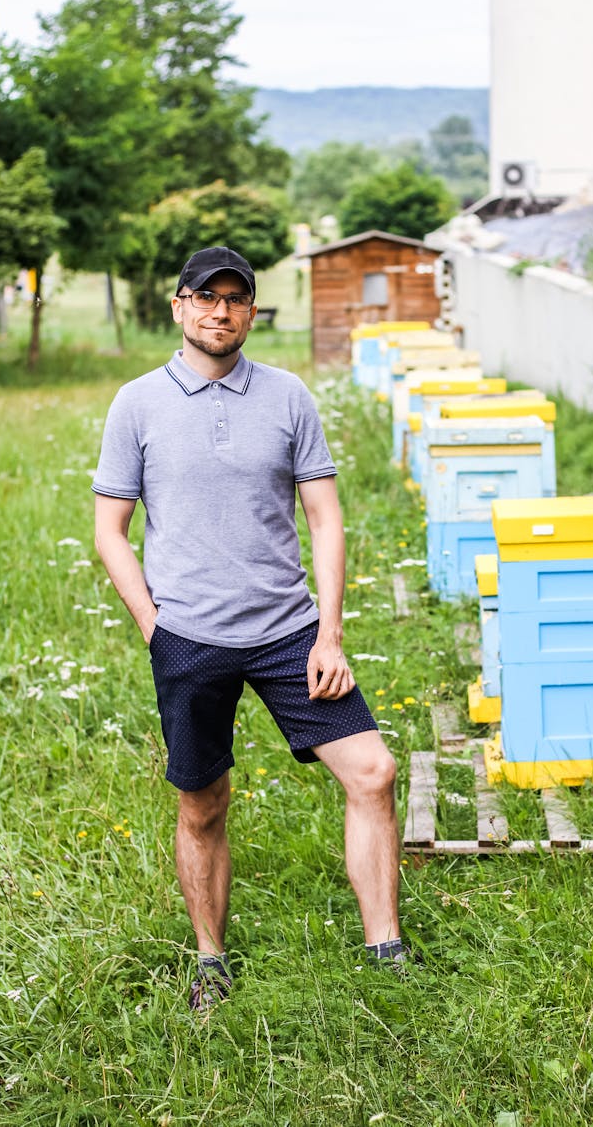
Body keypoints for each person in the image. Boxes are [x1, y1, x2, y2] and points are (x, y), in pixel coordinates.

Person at [92, 246, 404, 1012]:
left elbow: (325, 517)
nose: (219, 310)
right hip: (190, 638)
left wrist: (329, 632)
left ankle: (386, 949)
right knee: (203, 802)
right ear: (178, 305)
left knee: (373, 772)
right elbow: (110, 530)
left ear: (252, 312)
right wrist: (154, 626)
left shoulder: (290, 396)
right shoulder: (136, 403)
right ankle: (210, 960)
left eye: (235, 298)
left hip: (289, 631)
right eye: (205, 296)